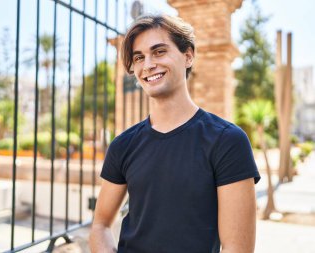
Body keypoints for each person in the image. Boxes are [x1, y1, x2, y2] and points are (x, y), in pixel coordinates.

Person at [89, 14, 260, 253]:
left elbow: (237, 248)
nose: (147, 64)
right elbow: (100, 224)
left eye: (159, 52)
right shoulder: (123, 145)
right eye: (139, 57)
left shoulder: (227, 141)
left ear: (188, 55)